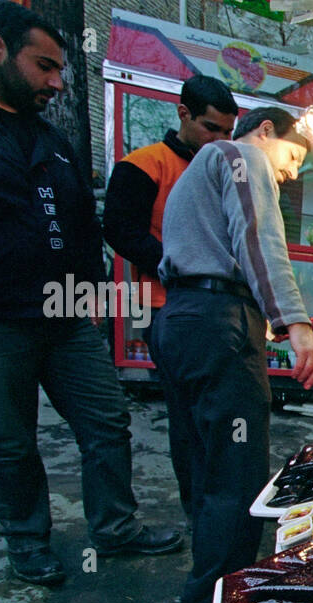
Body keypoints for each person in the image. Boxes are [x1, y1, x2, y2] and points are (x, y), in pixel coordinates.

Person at [0, 1, 182, 586]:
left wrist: (95, 296)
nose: (56, 82)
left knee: (107, 422)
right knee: (8, 438)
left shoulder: (49, 135)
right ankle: (27, 541)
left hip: (66, 311)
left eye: (61, 71)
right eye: (44, 66)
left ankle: (115, 528)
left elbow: (77, 223)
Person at [152, 106, 313, 603]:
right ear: (267, 132)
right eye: (295, 156)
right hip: (218, 324)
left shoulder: (200, 169)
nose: (293, 173)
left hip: (181, 320)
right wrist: (297, 326)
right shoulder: (241, 155)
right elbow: (258, 238)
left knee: (202, 465)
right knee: (238, 476)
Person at [103, 73, 238, 521]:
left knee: (221, 421)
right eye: (210, 129)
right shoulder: (144, 164)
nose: (218, 140)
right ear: (183, 114)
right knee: (189, 423)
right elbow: (120, 231)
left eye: (228, 133)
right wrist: (179, 263)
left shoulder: (225, 168)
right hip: (170, 310)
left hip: (221, 314)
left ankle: (224, 512)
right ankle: (198, 513)